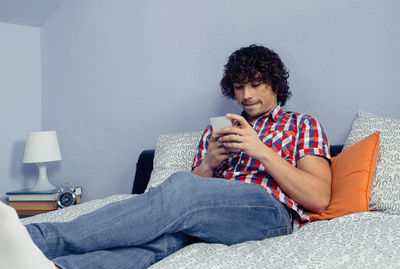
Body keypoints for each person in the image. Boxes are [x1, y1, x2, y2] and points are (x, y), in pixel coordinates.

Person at [0, 45, 332, 269]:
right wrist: (209, 163)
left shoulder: (301, 124)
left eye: (255, 85)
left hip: (270, 214)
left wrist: (259, 149)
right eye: (238, 86)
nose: (245, 95)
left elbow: (318, 197)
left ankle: (32, 238)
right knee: (160, 240)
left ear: (274, 84)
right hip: (215, 214)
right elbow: (193, 192)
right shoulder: (219, 130)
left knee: (180, 189)